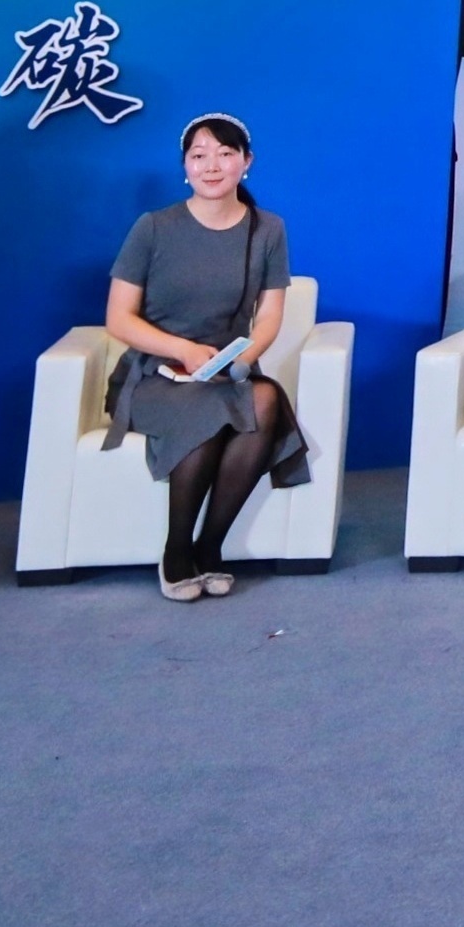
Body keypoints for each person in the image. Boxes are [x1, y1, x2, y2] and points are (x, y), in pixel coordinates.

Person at [101, 113, 308, 601]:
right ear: (185, 167)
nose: (211, 166)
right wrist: (182, 351)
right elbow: (119, 319)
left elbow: (269, 316)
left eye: (224, 154)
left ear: (246, 162)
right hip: (153, 375)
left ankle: (210, 546)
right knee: (209, 409)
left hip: (225, 373)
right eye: (199, 156)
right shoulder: (153, 228)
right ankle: (176, 550)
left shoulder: (268, 229)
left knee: (264, 399)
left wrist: (240, 360)